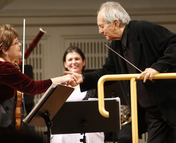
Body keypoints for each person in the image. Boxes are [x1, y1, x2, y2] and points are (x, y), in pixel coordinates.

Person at [66, 1, 176, 143]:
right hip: (153, 114)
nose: (100, 31)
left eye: (102, 26)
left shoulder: (143, 29)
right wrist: (83, 78)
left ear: (116, 23)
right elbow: (107, 72)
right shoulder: (116, 46)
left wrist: (157, 67)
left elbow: (174, 44)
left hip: (171, 103)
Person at [0, 24, 76, 137]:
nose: (20, 44)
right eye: (16, 43)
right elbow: (33, 88)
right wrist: (62, 79)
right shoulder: (3, 68)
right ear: (4, 49)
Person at [50, 46, 105, 143]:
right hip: (64, 129)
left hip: (89, 128)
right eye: (70, 59)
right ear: (65, 64)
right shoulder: (58, 86)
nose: (73, 62)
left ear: (83, 62)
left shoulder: (93, 84)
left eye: (77, 59)